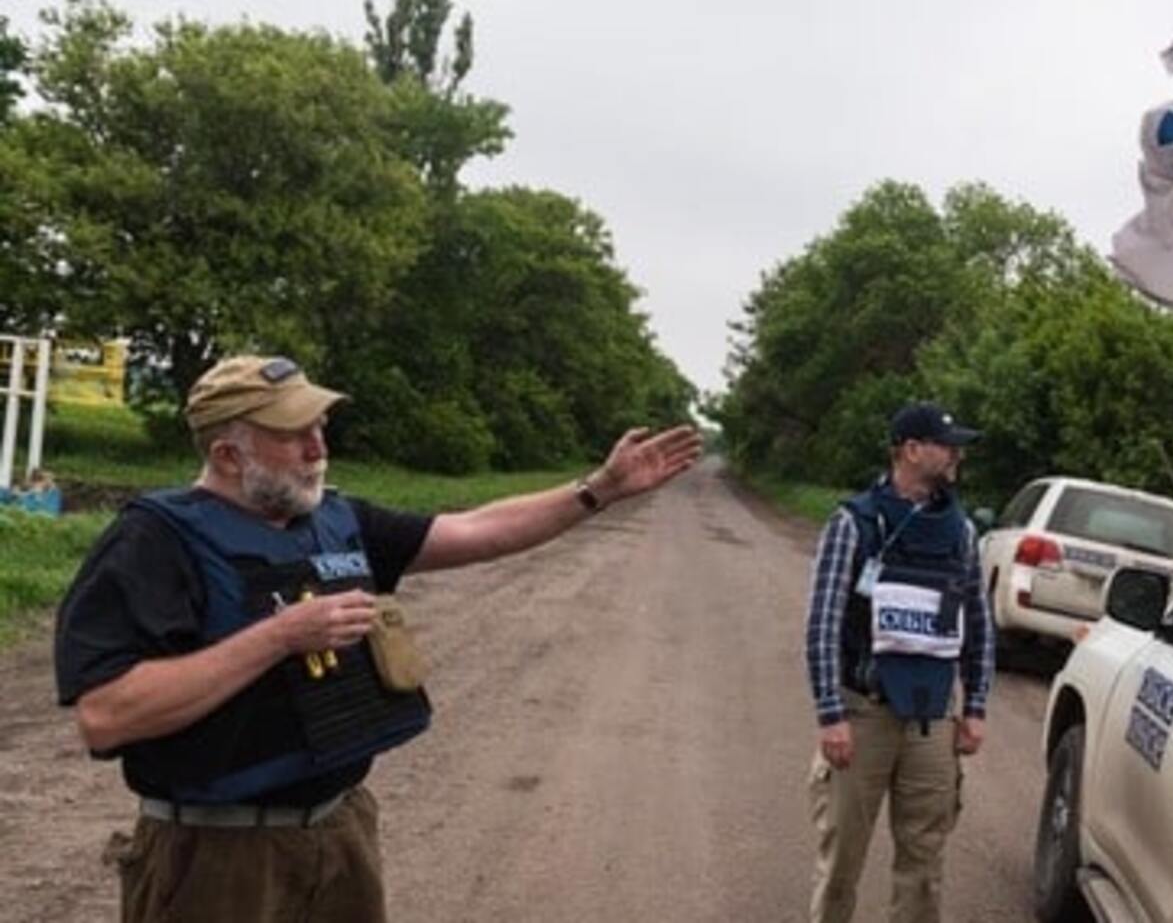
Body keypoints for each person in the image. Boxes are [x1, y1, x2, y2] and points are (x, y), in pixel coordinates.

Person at [51, 355, 702, 923]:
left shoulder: (336, 519)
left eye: (319, 427)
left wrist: (598, 491)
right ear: (227, 455)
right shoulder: (155, 542)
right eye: (294, 434)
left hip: (341, 832)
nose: (317, 447)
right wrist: (278, 637)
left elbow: (475, 531)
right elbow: (107, 715)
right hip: (218, 856)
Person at [804, 400, 995, 923]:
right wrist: (831, 714)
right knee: (841, 862)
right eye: (946, 446)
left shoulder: (961, 533)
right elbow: (822, 624)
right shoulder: (853, 523)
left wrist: (975, 707)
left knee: (924, 866)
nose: (956, 455)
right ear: (911, 450)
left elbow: (978, 625)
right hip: (862, 714)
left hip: (932, 721)